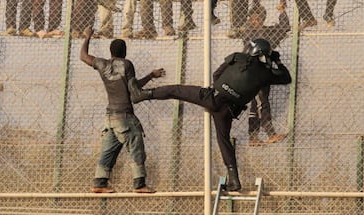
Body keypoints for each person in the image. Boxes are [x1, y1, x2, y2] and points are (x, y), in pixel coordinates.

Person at [131, 38, 292, 191]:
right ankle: (234, 180)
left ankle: (144, 94)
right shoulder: (266, 74)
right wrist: (277, 61)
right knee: (224, 141)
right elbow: (286, 77)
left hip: (212, 98)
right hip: (228, 111)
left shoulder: (237, 58)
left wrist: (225, 86)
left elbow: (216, 76)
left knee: (176, 90)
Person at [80, 28, 165, 193]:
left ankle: (99, 183)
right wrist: (153, 93)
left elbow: (83, 56)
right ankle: (139, 184)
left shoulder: (102, 64)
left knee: (107, 152)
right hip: (125, 117)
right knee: (136, 147)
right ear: (124, 52)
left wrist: (87, 37)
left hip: (110, 118)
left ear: (111, 52)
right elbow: (134, 92)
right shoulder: (127, 64)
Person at [230, 2, 290, 145]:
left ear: (263, 19)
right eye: (253, 18)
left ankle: (253, 137)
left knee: (255, 104)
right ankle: (270, 133)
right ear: (249, 19)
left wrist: (282, 12)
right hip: (253, 73)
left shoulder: (267, 32)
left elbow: (284, 28)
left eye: (259, 18)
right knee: (262, 102)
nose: (255, 21)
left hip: (263, 73)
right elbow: (244, 30)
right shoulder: (248, 33)